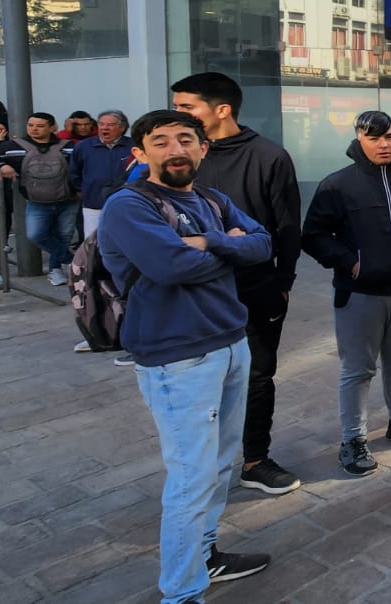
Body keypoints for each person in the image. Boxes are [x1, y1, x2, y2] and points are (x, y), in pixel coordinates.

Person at [99, 109, 276, 604]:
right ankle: (181, 592)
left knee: (220, 466)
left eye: (185, 139)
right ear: (140, 154)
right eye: (160, 142)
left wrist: (209, 241)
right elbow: (170, 264)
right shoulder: (127, 206)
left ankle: (204, 555)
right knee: (191, 478)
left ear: (203, 149)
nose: (175, 149)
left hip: (230, 343)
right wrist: (228, 247)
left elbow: (264, 244)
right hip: (177, 359)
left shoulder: (212, 200)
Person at [173, 72, 304, 495]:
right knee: (198, 380)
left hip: (256, 288)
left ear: (221, 109)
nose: (178, 116)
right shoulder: (181, 158)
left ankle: (255, 459)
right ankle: (200, 470)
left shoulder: (269, 156)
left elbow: (287, 226)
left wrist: (283, 282)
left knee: (258, 375)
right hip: (195, 291)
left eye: (186, 107)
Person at [301, 111, 391, 477]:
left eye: (389, 136)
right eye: (374, 137)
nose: (383, 144)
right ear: (358, 140)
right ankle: (353, 439)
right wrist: (350, 262)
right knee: (358, 369)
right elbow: (312, 235)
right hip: (360, 294)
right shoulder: (338, 185)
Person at [0, 112, 78, 285]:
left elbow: (81, 166)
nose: (34, 129)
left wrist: (79, 188)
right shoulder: (13, 146)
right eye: (30, 125)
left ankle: (55, 270)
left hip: (68, 199)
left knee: (64, 236)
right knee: (36, 235)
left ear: (53, 127)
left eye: (40, 126)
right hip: (37, 201)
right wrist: (2, 164)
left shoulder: (69, 146)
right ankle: (71, 260)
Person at [70, 109, 134, 239]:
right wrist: (83, 189)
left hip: (126, 204)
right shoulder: (83, 146)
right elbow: (74, 171)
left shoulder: (133, 146)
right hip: (93, 204)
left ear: (122, 128)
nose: (105, 128)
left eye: (110, 125)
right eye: (101, 124)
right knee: (93, 241)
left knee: (124, 239)